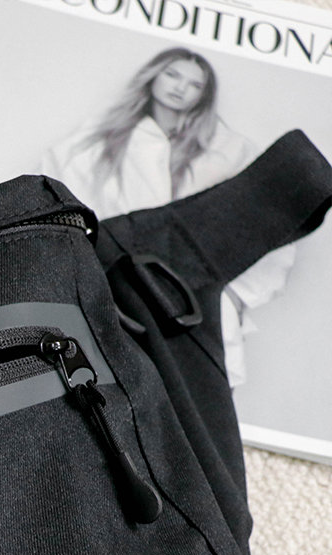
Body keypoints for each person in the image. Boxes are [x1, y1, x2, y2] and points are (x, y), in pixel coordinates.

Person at [40, 48, 294, 385]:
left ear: (205, 94)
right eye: (172, 75)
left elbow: (275, 221)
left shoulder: (231, 150)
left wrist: (235, 294)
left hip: (195, 297)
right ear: (153, 76)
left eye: (194, 84)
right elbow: (56, 193)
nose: (180, 88)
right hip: (119, 290)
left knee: (200, 392)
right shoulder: (105, 139)